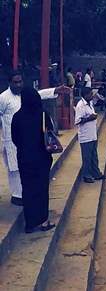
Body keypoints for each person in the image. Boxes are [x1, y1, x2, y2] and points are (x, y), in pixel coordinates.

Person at [11, 87, 56, 233]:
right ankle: (43, 221)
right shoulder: (42, 114)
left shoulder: (17, 117)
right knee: (42, 189)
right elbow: (51, 132)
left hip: (25, 158)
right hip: (41, 157)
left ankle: (29, 224)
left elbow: (15, 138)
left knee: (28, 189)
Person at [0, 71, 25, 205]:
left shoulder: (23, 95)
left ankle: (22, 193)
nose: (18, 84)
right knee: (13, 168)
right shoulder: (3, 98)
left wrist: (55, 90)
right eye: (15, 82)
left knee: (21, 167)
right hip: (9, 140)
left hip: (23, 139)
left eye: (20, 81)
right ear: (10, 83)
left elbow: (40, 94)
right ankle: (16, 196)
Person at [75, 88, 106, 183]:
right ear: (85, 95)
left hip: (92, 134)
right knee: (87, 157)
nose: (92, 96)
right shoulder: (80, 106)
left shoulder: (90, 103)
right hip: (85, 136)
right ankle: (87, 175)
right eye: (90, 94)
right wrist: (90, 118)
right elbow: (77, 121)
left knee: (94, 156)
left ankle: (96, 173)